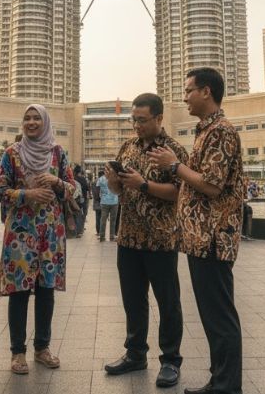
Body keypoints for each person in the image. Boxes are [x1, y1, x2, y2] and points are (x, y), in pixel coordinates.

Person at [148, 67, 244, 394]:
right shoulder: (207, 131)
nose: (185, 97)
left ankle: (226, 386)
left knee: (219, 316)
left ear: (206, 91)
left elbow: (212, 185)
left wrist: (174, 165)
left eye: (189, 90)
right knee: (213, 316)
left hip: (212, 237)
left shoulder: (220, 131)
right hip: (200, 238)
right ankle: (220, 380)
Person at [103, 93, 188, 388]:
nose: (137, 125)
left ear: (159, 118)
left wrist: (144, 184)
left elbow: (180, 192)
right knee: (133, 300)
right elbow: (119, 191)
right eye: (134, 120)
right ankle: (135, 353)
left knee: (168, 302)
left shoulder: (173, 150)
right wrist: (114, 182)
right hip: (128, 237)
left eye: (142, 120)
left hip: (160, 239)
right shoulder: (128, 146)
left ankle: (171, 360)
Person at [0, 104, 75, 375]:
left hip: (50, 233)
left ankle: (42, 348)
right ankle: (17, 352)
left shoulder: (58, 153)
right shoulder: (11, 153)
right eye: (27, 118)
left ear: (45, 123)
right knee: (18, 291)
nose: (31, 122)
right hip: (20, 233)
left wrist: (56, 183)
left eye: (36, 118)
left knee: (46, 290)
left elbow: (73, 189)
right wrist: (25, 195)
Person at [97, 166, 119, 241]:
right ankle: (111, 236)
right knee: (112, 220)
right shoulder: (116, 178)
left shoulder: (100, 179)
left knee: (103, 220)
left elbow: (97, 190)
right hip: (113, 202)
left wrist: (100, 197)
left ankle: (102, 236)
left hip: (105, 202)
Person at [73, 165, 90, 238]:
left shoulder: (73, 178)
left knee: (75, 213)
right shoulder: (83, 179)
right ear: (80, 172)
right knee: (82, 213)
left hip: (73, 199)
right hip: (82, 199)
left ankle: (75, 229)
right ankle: (80, 230)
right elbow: (87, 188)